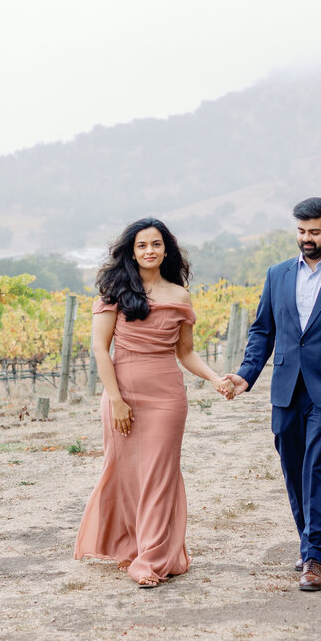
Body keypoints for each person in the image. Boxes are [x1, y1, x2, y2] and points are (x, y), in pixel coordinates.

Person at [223, 197, 321, 592]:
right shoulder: (276, 275)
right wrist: (246, 375)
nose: (305, 239)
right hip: (285, 388)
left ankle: (313, 556)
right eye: (300, 231)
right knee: (293, 468)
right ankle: (307, 537)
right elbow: (263, 331)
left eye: (313, 232)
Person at [75, 218, 233, 588]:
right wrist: (116, 399)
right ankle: (133, 546)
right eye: (142, 245)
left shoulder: (180, 296)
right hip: (123, 394)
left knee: (160, 476)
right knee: (126, 473)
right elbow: (100, 349)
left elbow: (186, 353)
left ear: (166, 250)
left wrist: (214, 379)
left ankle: (152, 558)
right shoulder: (114, 291)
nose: (150, 251)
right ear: (132, 251)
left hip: (166, 398)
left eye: (156, 244)